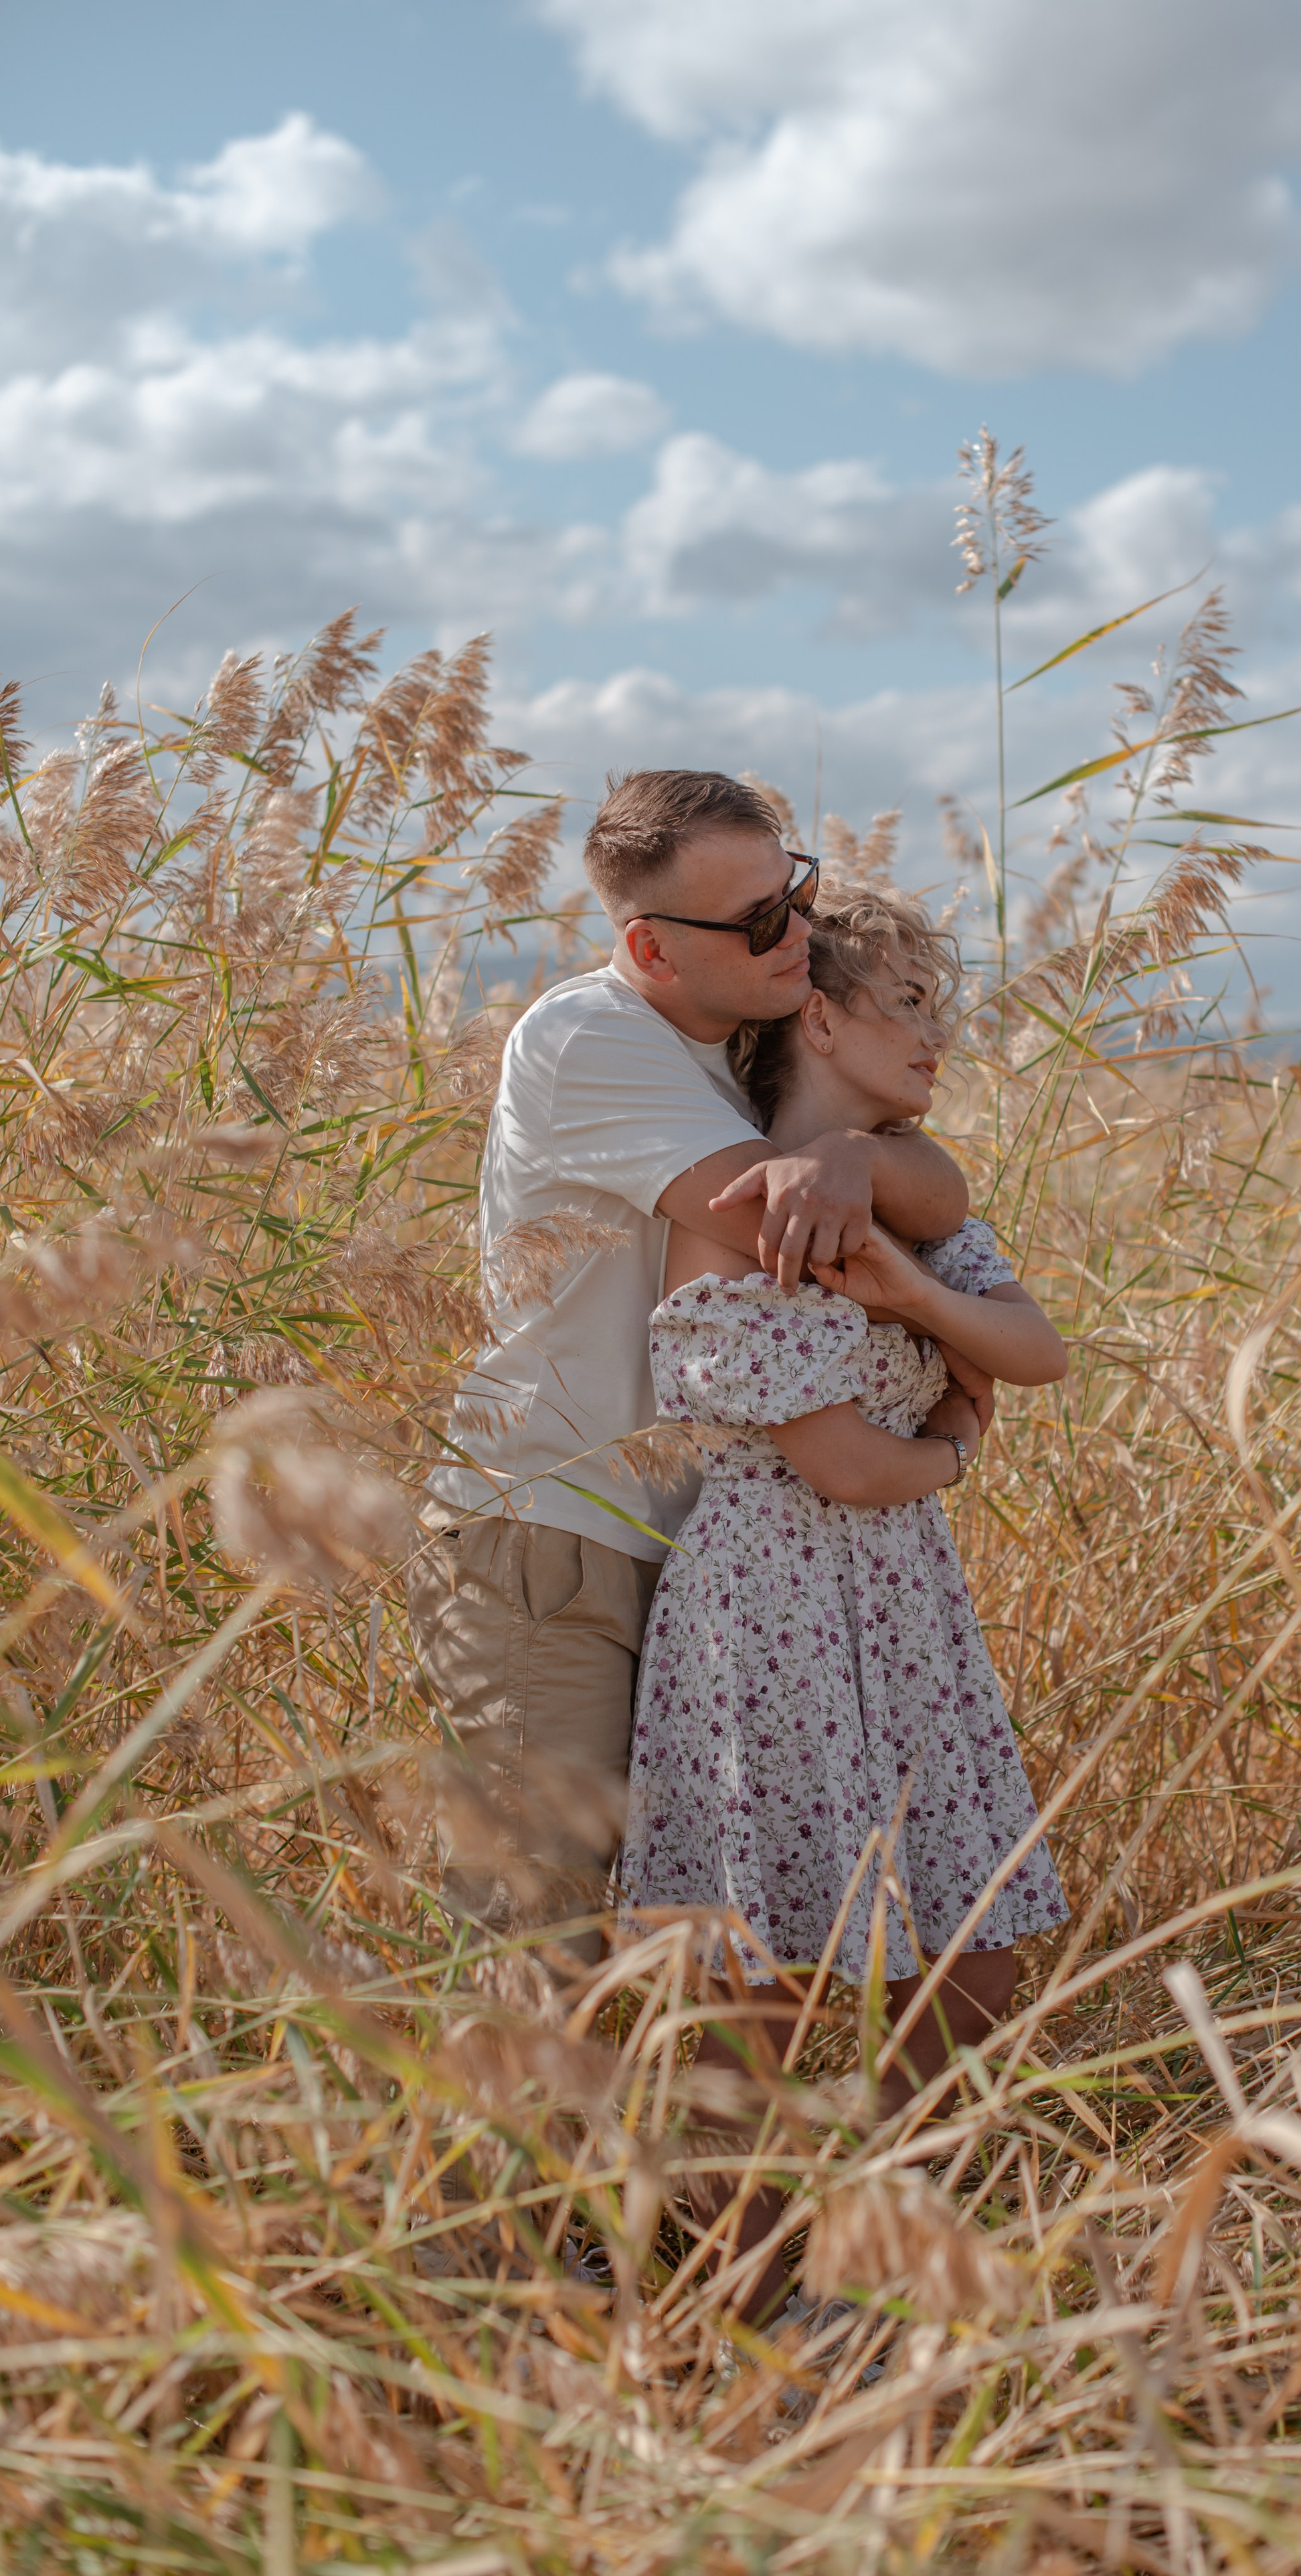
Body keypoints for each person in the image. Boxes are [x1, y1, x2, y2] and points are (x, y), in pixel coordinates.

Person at [406, 774, 971, 1945]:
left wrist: (861, 1160)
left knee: (697, 1938)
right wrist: (857, 1179)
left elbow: (944, 1192)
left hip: (702, 1554)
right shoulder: (590, 1036)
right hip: (556, 1539)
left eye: (796, 896)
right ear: (651, 948)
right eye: (759, 922)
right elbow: (780, 1218)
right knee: (536, 1928)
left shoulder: (750, 1047)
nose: (800, 938)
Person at [618, 881, 1069, 2322]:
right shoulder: (736, 1212)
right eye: (913, 1008)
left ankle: (857, 2226)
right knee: (762, 1968)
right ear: (817, 1015)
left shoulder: (901, 1197)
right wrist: (953, 1438)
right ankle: (735, 2289)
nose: (942, 1036)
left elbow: (1034, 1345)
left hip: (904, 1609)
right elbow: (845, 1461)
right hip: (770, 1601)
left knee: (975, 1955)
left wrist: (912, 1296)